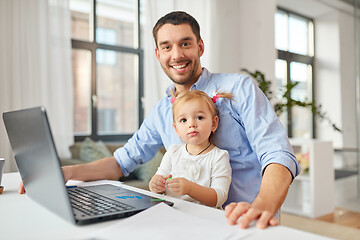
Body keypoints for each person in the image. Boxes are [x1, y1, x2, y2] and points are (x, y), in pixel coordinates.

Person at [20, 11, 300, 229]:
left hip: (243, 222)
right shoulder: (160, 112)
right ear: (157, 54)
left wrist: (263, 203)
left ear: (200, 46)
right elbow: (122, 161)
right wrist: (67, 173)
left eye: (185, 44)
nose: (176, 55)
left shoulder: (239, 89)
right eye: (166, 47)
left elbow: (277, 153)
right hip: (186, 222)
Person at [149, 90, 232, 208]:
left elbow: (219, 197)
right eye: (183, 120)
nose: (191, 124)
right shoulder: (173, 152)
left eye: (199, 117)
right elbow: (159, 183)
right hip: (172, 213)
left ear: (214, 123)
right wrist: (155, 185)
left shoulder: (219, 157)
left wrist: (190, 188)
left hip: (203, 218)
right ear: (176, 129)